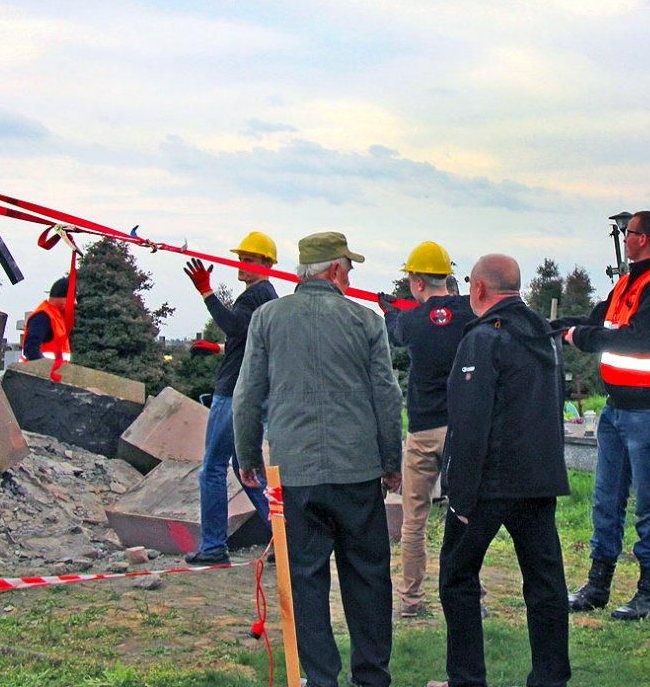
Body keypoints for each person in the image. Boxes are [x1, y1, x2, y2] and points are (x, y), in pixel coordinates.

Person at [235, 231, 403, 687]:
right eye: (348, 268)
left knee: (305, 581)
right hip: (357, 471)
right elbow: (386, 396)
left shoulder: (267, 319)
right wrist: (392, 461)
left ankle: (321, 678)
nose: (350, 277)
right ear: (333, 270)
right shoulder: (366, 321)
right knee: (368, 578)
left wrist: (247, 453)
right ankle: (371, 677)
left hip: (295, 473)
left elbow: (247, 393)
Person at [431, 254, 571, 687]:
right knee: (545, 585)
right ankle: (551, 677)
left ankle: (466, 678)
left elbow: (470, 421)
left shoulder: (483, 339)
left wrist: (461, 493)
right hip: (537, 477)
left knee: (457, 579)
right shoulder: (542, 336)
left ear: (477, 289)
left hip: (490, 482)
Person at [559, 210, 650, 620]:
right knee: (606, 497)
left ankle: (649, 592)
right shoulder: (629, 282)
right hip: (618, 408)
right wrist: (554, 327)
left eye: (628, 232)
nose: (623, 237)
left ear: (644, 239)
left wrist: (584, 338)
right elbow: (599, 320)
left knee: (649, 501)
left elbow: (639, 339)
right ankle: (598, 585)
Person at [377, 241, 476, 618]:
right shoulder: (468, 311)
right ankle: (472, 592)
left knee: (413, 520)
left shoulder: (413, 319)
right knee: (465, 515)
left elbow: (395, 331)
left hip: (421, 430)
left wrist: (387, 309)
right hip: (460, 428)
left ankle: (411, 599)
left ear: (417, 282)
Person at [182, 232, 279, 565]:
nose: (242, 264)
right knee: (245, 469)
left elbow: (236, 327)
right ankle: (283, 537)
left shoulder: (256, 295)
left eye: (249, 259)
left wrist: (206, 292)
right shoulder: (269, 297)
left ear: (267, 264)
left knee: (212, 468)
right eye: (241, 258)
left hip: (234, 393)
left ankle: (213, 547)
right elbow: (249, 343)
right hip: (252, 392)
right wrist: (219, 349)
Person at [21, 276, 74, 362]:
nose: (74, 302)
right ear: (61, 297)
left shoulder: (54, 316)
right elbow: (31, 350)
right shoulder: (43, 316)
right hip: (40, 373)